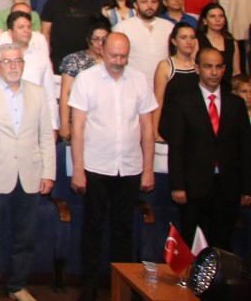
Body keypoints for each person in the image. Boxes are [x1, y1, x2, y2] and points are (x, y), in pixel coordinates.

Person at [0, 42, 57, 301]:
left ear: (23, 64)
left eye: (17, 61)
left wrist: (48, 172)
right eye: (7, 61)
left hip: (30, 174)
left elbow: (46, 137)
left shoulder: (38, 94)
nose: (13, 66)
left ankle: (17, 285)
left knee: (25, 237)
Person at [68, 32, 157, 301]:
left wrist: (148, 168)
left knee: (123, 229)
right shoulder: (87, 79)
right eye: (113, 55)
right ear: (101, 50)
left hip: (129, 167)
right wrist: (79, 168)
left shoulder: (139, 80)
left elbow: (146, 127)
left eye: (123, 56)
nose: (118, 61)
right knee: (93, 228)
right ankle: (90, 285)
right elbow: (78, 127)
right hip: (96, 166)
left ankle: (122, 286)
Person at [163, 46, 251, 250]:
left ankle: (219, 282)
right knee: (192, 243)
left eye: (218, 67)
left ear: (224, 69)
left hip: (228, 186)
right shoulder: (184, 102)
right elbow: (177, 147)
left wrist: (247, 187)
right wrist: (177, 185)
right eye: (208, 66)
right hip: (194, 186)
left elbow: (246, 149)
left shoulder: (236, 104)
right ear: (197, 68)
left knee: (222, 243)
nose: (214, 72)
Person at [40, 0, 102, 71]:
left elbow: (99, 31)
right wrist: (47, 56)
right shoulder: (52, 3)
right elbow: (46, 32)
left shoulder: (91, 3)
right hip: (59, 59)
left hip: (86, 58)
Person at [58, 19, 109, 142]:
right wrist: (64, 125)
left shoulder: (114, 61)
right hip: (79, 122)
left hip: (106, 124)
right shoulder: (74, 60)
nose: (100, 43)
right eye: (95, 39)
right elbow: (66, 94)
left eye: (104, 39)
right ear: (88, 39)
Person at [113, 0, 173, 90]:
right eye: (144, 2)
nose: (150, 6)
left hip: (166, 87)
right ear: (135, 5)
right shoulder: (122, 28)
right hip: (133, 87)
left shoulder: (169, 26)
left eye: (153, 2)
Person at [152, 22, 199, 140]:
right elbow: (158, 101)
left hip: (194, 127)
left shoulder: (198, 66)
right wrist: (154, 132)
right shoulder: (165, 66)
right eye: (183, 38)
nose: (189, 41)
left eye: (192, 38)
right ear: (174, 41)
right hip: (171, 126)